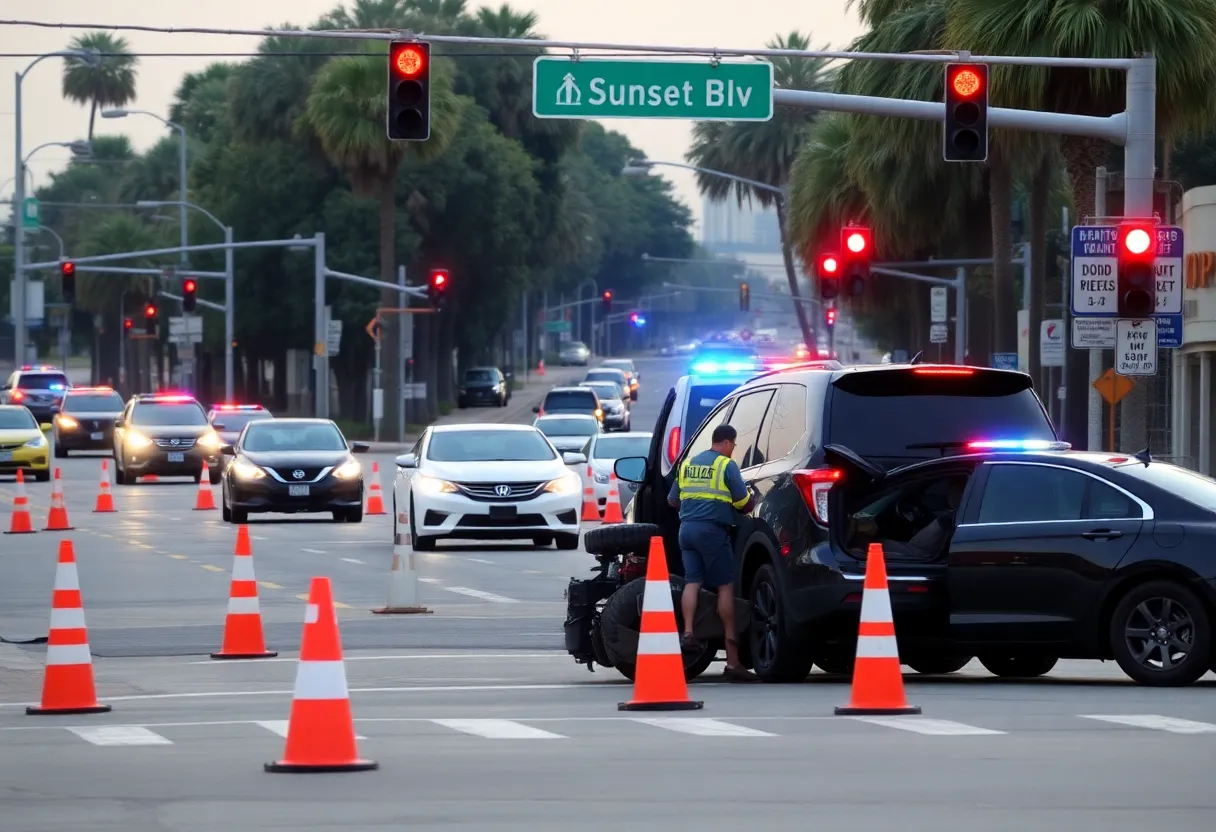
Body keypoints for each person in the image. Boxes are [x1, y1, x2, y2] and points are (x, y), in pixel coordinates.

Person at [667, 423, 757, 682]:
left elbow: (673, 500)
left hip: (686, 530)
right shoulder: (726, 466)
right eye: (733, 446)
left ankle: (688, 632)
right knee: (725, 586)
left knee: (692, 582)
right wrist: (746, 499)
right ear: (728, 442)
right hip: (712, 532)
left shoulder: (687, 464)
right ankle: (732, 661)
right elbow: (743, 503)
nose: (732, 450)